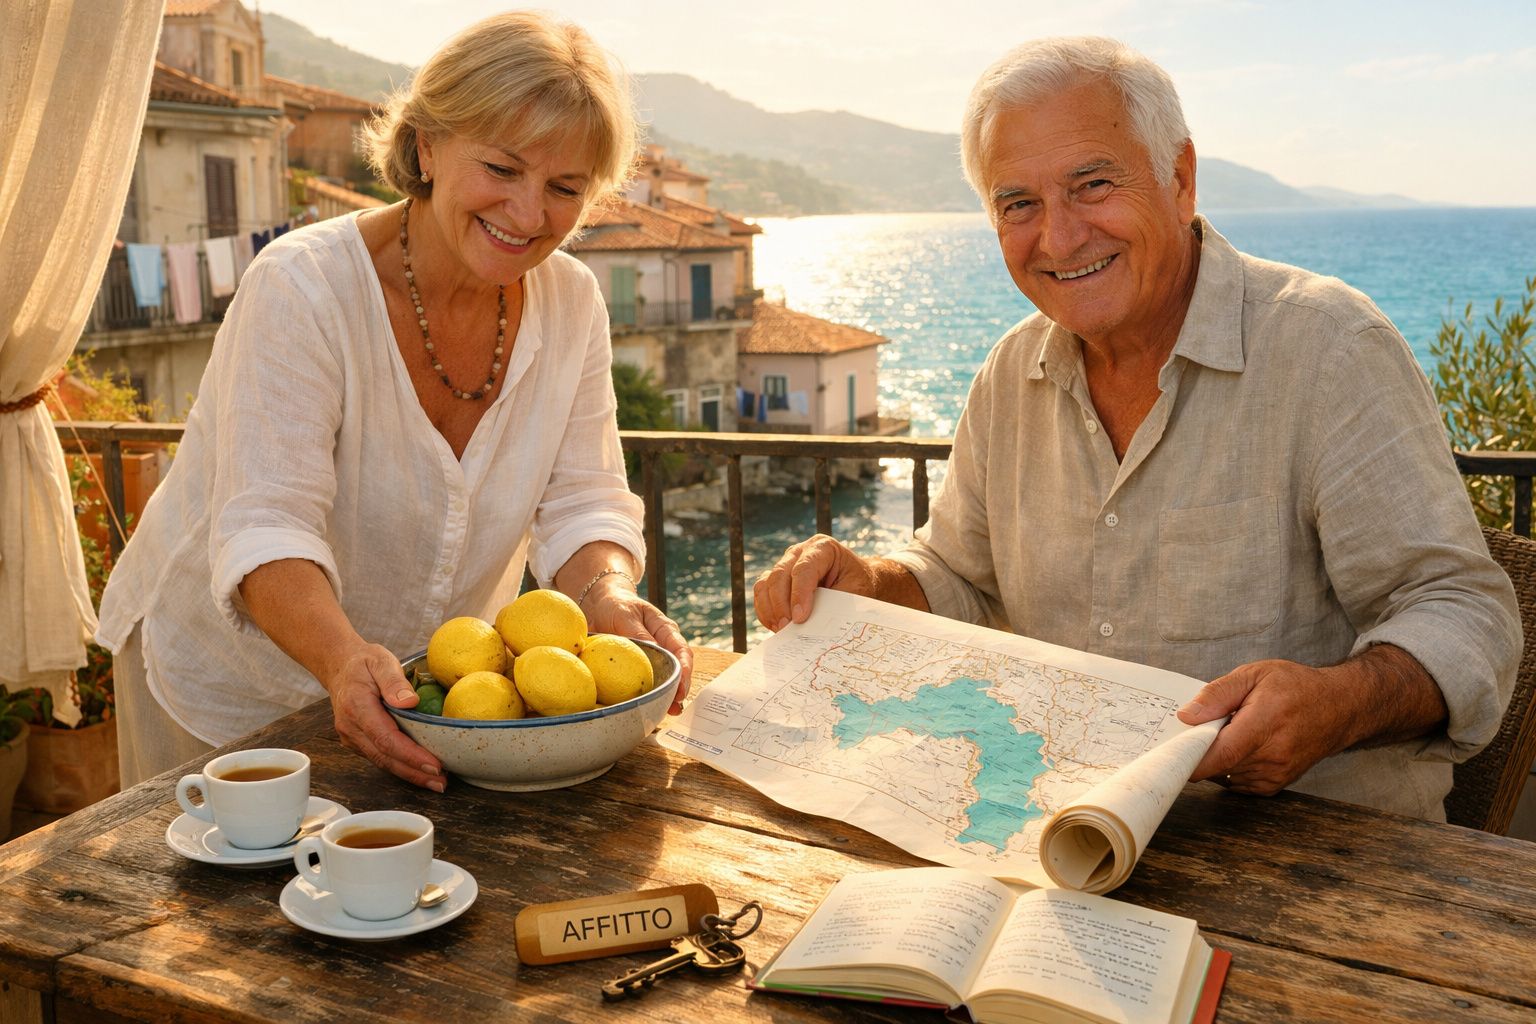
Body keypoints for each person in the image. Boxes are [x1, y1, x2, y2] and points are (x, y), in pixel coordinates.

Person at [754, 36, 1521, 821]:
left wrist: (1338, 704)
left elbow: (1467, 613)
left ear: (1180, 179)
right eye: (1018, 203)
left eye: (1092, 185)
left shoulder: (1330, 349)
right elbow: (959, 576)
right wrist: (872, 585)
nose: (1058, 237)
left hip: (1321, 857)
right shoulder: (1009, 376)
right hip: (1062, 837)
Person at [97, 11, 691, 792]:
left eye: (564, 188)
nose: (528, 212)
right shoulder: (302, 287)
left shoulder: (573, 301)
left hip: (433, 710)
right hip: (229, 691)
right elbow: (267, 525)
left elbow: (584, 499)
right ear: (428, 146)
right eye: (503, 168)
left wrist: (606, 593)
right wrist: (343, 661)